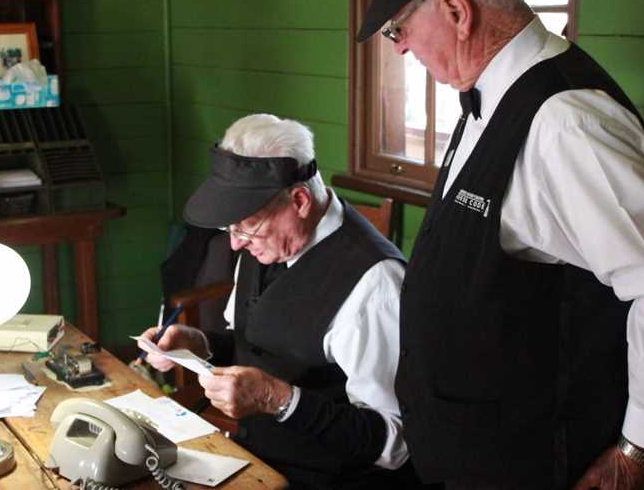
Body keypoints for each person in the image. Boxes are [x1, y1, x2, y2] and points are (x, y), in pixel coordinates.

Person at [356, 0, 644, 489]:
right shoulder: (486, 93)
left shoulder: (566, 125)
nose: (397, 46)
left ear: (456, 10)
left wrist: (637, 451)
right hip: (466, 454)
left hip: (532, 463)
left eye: (399, 26)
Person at [137, 114, 436, 489]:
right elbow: (253, 345)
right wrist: (199, 345)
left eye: (246, 226)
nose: (235, 243)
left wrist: (275, 399)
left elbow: (397, 442)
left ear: (299, 200)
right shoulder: (263, 245)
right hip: (257, 464)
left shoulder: (374, 285)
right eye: (230, 228)